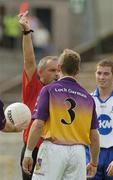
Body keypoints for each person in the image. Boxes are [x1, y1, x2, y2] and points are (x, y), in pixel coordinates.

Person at [22, 49, 100, 180]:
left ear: (59, 67)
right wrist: (93, 162)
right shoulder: (88, 97)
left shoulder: (49, 90)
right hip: (78, 153)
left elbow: (38, 124)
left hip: (53, 149)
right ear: (78, 71)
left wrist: (28, 153)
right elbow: (94, 135)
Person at [18, 11, 59, 180]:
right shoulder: (34, 86)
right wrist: (27, 33)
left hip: (55, 150)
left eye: (59, 70)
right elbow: (29, 60)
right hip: (32, 149)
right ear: (40, 72)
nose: (57, 74)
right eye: (52, 70)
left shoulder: (63, 91)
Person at [87, 59, 113, 179]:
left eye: (106, 74)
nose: (102, 77)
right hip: (92, 154)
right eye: (99, 73)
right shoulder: (87, 100)